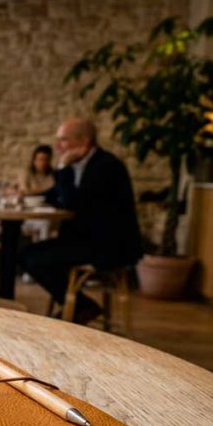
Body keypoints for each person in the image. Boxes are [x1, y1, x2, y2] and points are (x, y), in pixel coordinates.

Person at [20, 118, 143, 324]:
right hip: (86, 239)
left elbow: (71, 203)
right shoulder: (82, 164)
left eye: (63, 140)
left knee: (33, 258)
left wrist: (62, 167)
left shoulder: (106, 166)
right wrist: (27, 196)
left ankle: (82, 307)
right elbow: (55, 195)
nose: (58, 146)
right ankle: (78, 306)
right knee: (25, 254)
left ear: (84, 141)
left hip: (108, 245)